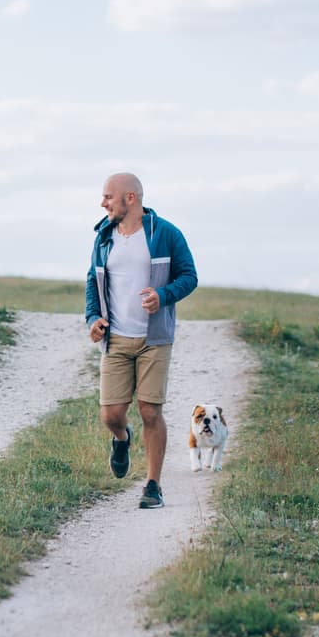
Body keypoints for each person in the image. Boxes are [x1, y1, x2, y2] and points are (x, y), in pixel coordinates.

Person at [85, 173, 197, 509]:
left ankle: (153, 485)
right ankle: (122, 439)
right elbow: (93, 279)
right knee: (112, 416)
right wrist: (93, 318)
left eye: (108, 197)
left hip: (155, 338)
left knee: (150, 411)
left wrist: (163, 296)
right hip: (116, 340)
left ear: (130, 198)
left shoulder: (166, 234)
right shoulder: (104, 237)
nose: (103, 203)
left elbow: (189, 276)